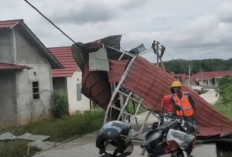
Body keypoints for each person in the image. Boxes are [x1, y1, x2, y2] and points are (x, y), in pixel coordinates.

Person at [171, 80, 197, 157]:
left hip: (189, 116)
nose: (175, 89)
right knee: (181, 131)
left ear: (180, 88)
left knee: (191, 131)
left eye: (176, 87)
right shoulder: (174, 97)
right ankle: (183, 146)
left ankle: (191, 145)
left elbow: (193, 104)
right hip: (180, 117)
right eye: (174, 88)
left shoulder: (187, 95)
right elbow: (174, 107)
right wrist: (174, 114)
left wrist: (194, 114)